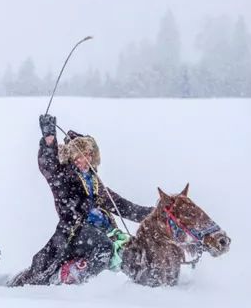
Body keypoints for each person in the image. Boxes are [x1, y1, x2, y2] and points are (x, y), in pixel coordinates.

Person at [10, 114, 153, 286]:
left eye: (86, 155)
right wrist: (49, 139)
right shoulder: (64, 176)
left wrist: (153, 214)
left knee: (132, 249)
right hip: (74, 232)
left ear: (92, 157)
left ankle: (143, 286)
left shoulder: (96, 183)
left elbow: (122, 206)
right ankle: (80, 284)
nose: (82, 160)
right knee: (104, 247)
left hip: (103, 229)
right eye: (77, 157)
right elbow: (49, 165)